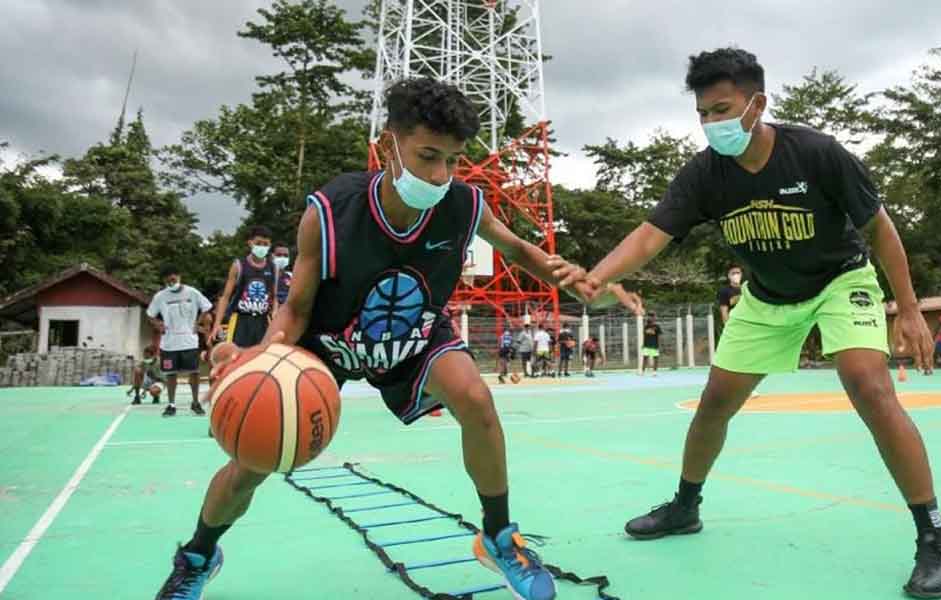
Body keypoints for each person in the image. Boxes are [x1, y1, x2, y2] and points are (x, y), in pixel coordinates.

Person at [154, 77, 628, 600]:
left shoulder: (463, 205)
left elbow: (517, 249)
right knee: (253, 458)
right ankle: (197, 555)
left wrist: (583, 282)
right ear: (388, 145)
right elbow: (297, 305)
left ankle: (497, 536)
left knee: (474, 397)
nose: (440, 174)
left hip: (412, 335)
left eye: (452, 160)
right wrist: (265, 353)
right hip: (328, 342)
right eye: (427, 156)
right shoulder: (331, 211)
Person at [559, 48, 941, 597]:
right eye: (702, 114)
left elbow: (880, 228)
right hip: (767, 297)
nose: (712, 124)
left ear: (758, 104)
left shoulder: (817, 153)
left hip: (840, 282)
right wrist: (598, 276)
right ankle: (685, 506)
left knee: (869, 385)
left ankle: (935, 537)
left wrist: (910, 309)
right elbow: (652, 234)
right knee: (715, 401)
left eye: (722, 109)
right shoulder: (706, 174)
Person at [146, 265, 212, 417]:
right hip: (169, 343)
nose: (171, 283)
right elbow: (150, 314)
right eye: (167, 281)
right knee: (171, 374)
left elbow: (207, 307)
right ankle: (171, 405)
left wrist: (198, 323)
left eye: (173, 280)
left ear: (179, 277)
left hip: (189, 341)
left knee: (194, 372)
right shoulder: (160, 296)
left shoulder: (192, 292)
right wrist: (158, 324)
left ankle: (195, 403)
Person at [210, 226, 277, 348]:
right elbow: (225, 297)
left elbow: (275, 296)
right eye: (258, 243)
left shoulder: (273, 267)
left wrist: (275, 316)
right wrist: (217, 325)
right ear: (250, 243)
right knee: (237, 358)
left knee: (262, 357)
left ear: (270, 245)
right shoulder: (238, 266)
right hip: (240, 320)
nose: (262, 247)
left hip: (263, 321)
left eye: (265, 244)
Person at [715, 265, 742, 346]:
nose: (736, 275)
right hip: (734, 324)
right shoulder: (724, 291)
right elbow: (724, 311)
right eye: (733, 273)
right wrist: (728, 328)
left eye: (738, 273)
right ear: (729, 276)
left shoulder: (746, 288)